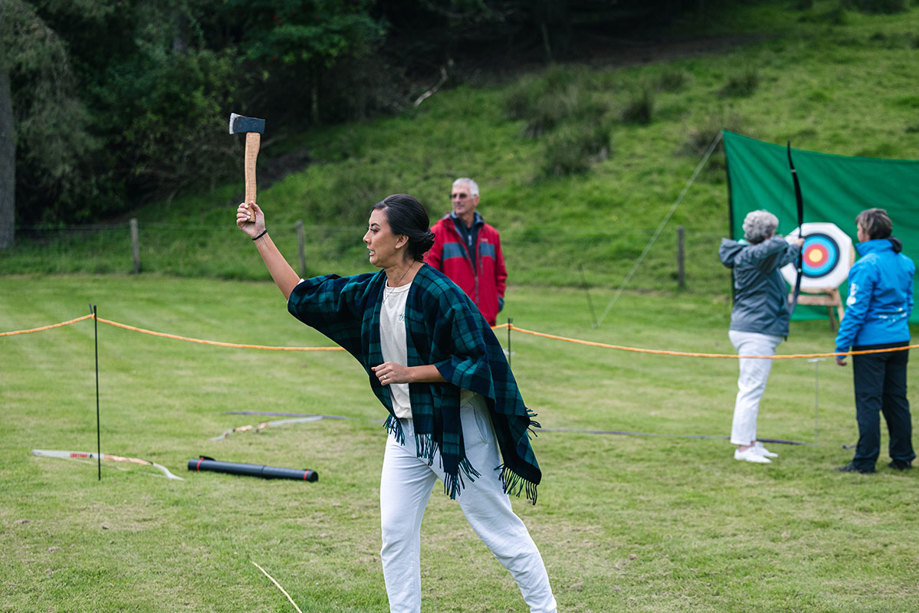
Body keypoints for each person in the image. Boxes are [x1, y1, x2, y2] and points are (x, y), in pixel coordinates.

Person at [236, 195, 557, 613]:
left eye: (375, 229)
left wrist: (411, 372)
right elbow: (302, 296)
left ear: (401, 238)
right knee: (395, 532)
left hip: (457, 426)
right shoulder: (372, 291)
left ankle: (545, 609)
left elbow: (478, 361)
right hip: (406, 432)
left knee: (499, 531)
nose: (366, 237)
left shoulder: (440, 293)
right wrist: (260, 235)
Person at [719, 210, 804, 464]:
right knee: (750, 390)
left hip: (756, 329)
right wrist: (789, 240)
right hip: (755, 331)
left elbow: (779, 256)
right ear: (767, 235)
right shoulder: (749, 254)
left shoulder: (759, 256)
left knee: (752, 389)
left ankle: (751, 442)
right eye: (773, 232)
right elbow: (775, 247)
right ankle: (744, 448)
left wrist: (796, 248)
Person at [834, 208, 915, 474]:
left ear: (866, 233)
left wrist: (842, 346)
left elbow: (856, 310)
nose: (857, 233)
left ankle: (865, 461)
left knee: (869, 401)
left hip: (871, 345)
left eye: (858, 229)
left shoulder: (866, 265)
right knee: (896, 399)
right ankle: (902, 457)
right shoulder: (905, 262)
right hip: (899, 340)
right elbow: (908, 303)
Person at [424, 178, 507, 326]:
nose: (457, 200)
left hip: (486, 319)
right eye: (454, 196)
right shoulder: (438, 233)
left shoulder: (492, 234)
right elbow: (430, 275)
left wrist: (497, 301)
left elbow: (500, 273)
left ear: (476, 200)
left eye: (462, 196)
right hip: (452, 319)